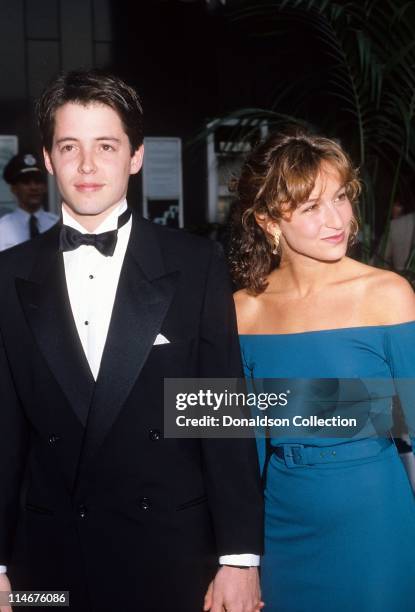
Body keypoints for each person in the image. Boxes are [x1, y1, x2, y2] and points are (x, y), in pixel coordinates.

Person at [0, 70, 264, 612]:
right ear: (48, 159)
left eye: (106, 146)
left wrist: (239, 558)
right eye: (69, 147)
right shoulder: (8, 275)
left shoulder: (195, 264)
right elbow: (2, 432)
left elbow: (220, 412)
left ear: (136, 156)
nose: (88, 165)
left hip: (170, 549)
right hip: (47, 563)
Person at [230, 130, 415, 611]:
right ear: (269, 221)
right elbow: (231, 442)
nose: (337, 220)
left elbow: (413, 418)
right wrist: (236, 560)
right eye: (311, 207)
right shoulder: (242, 310)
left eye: (339, 198)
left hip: (375, 518)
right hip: (280, 522)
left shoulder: (387, 295)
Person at [0, 152, 58, 251]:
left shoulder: (57, 225)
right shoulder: (3, 228)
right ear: (14, 189)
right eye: (26, 182)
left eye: (38, 181)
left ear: (45, 187)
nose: (33, 187)